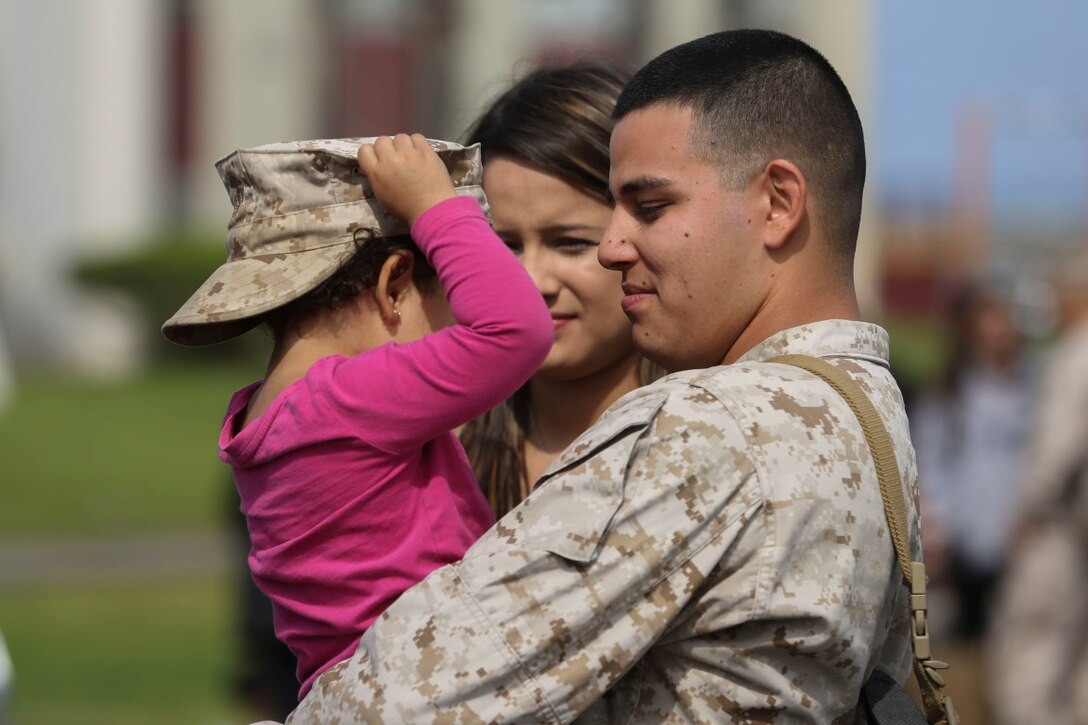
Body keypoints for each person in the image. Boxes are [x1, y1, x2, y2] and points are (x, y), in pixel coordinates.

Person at [286, 30, 923, 723]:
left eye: (650, 208)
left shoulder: (710, 425)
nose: (616, 245)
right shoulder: (861, 399)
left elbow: (390, 704)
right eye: (500, 247)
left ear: (777, 202)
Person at [161, 135, 552, 699]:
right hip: (429, 688)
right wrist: (437, 207)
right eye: (449, 301)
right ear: (394, 285)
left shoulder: (261, 413)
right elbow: (516, 330)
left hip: (349, 693)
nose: (453, 328)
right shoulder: (349, 399)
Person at [459, 63, 659, 517]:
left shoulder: (715, 440)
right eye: (504, 245)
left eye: (569, 243)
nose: (531, 281)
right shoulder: (429, 448)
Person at [911, 284, 1036, 642]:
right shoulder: (947, 393)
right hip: (961, 543)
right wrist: (937, 528)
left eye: (1005, 318)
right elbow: (930, 463)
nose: (1000, 329)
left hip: (1020, 540)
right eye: (989, 318)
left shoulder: (1034, 388)